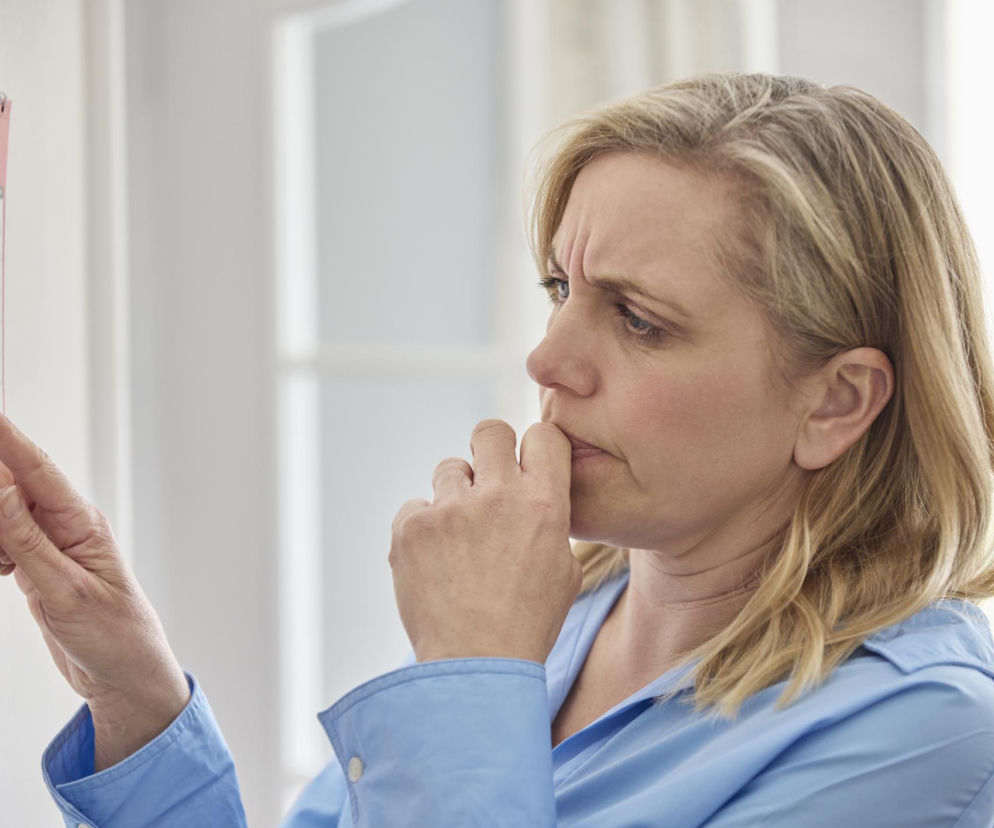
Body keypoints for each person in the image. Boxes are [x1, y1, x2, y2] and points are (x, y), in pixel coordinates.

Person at [2, 72, 994, 827]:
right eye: (560, 290)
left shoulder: (929, 736)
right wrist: (131, 692)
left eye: (639, 321)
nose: (547, 358)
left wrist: (472, 672)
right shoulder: (556, 614)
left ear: (836, 401)